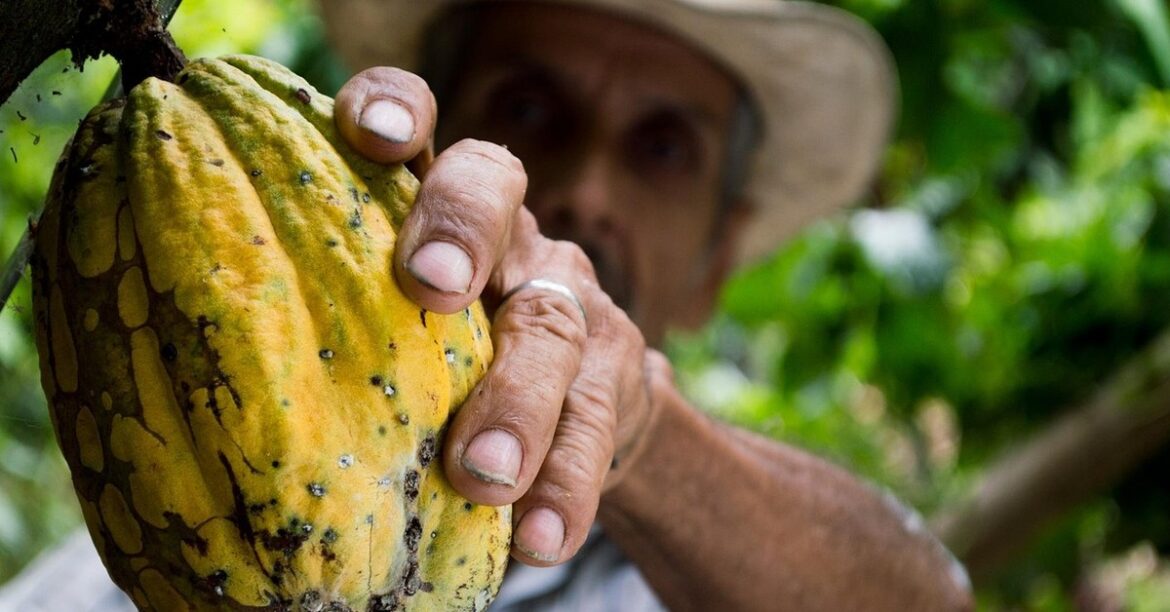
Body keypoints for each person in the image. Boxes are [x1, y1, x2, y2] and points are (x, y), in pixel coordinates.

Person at [0, 1, 974, 610]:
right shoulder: (113, 574)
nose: (589, 187)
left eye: (663, 147)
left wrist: (638, 427)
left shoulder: (711, 579)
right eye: (530, 109)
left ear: (718, 258)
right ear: (417, 136)